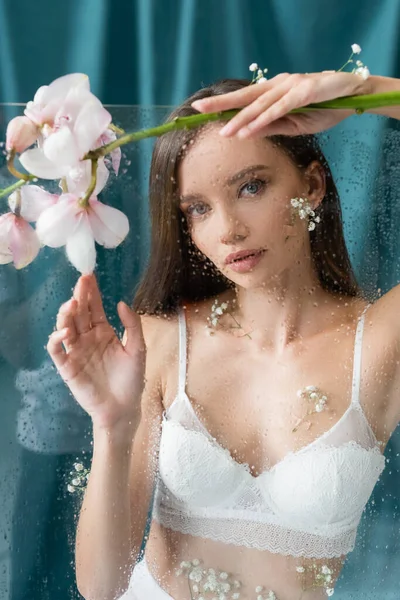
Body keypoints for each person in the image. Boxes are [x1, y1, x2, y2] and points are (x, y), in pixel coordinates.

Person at [47, 71, 400, 600]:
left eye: (251, 187)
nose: (228, 229)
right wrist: (112, 425)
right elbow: (99, 588)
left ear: (312, 185)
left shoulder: (378, 342)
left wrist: (360, 94)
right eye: (198, 209)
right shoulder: (164, 340)